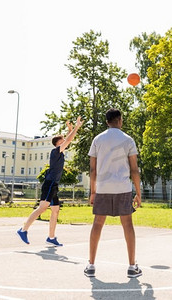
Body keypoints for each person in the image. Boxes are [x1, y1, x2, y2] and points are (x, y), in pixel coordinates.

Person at [84, 108, 142, 278]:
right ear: (120, 120)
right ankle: (132, 267)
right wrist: (138, 193)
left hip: (102, 188)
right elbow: (134, 170)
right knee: (128, 225)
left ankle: (91, 265)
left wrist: (93, 191)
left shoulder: (97, 139)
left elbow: (93, 169)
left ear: (107, 121)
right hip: (122, 188)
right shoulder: (128, 140)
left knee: (97, 224)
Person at [17, 117, 83, 246]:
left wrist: (70, 129)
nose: (65, 141)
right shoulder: (55, 151)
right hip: (50, 184)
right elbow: (69, 140)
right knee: (42, 208)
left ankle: (51, 237)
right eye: (62, 140)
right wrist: (76, 127)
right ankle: (23, 230)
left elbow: (69, 139)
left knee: (55, 210)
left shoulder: (60, 152)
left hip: (54, 185)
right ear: (58, 143)